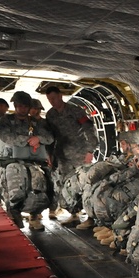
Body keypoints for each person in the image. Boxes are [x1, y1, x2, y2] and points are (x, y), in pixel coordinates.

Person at [0, 91, 54, 230]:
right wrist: (28, 140)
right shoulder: (4, 121)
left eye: (25, 106)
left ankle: (34, 216)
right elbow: (6, 137)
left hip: (33, 162)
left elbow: (50, 137)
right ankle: (14, 216)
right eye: (19, 106)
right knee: (14, 190)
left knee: (39, 186)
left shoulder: (35, 123)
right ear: (15, 106)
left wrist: (39, 139)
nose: (22, 109)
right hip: (11, 161)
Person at [45, 85, 97, 227]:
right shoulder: (50, 115)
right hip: (62, 155)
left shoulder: (75, 110)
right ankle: (74, 214)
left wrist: (90, 150)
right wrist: (49, 154)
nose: (52, 101)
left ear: (61, 96)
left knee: (85, 184)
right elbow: (49, 136)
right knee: (66, 185)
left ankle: (90, 217)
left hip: (80, 153)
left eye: (54, 98)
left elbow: (89, 128)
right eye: (49, 99)